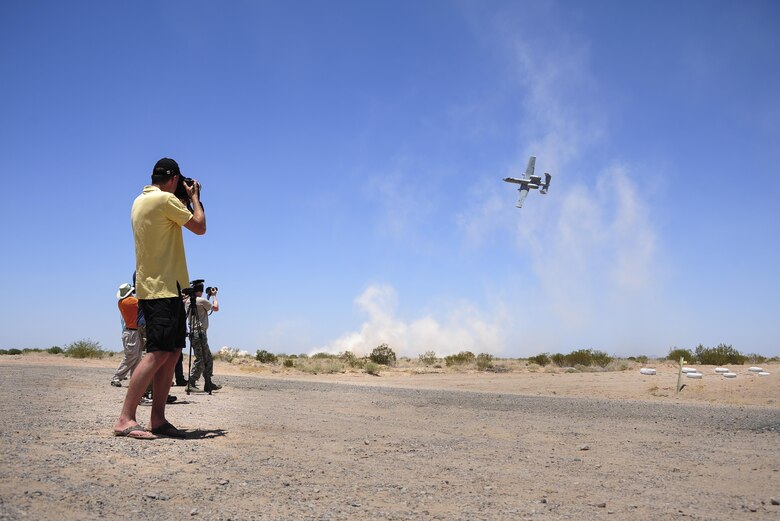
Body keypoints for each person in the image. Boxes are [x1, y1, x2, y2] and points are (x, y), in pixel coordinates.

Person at [113, 157, 206, 440]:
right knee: (158, 353)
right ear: (175, 179)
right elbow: (200, 226)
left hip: (162, 286)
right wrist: (195, 198)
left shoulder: (140, 201)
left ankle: (158, 419)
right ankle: (125, 419)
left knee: (173, 351)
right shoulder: (166, 201)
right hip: (161, 288)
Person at [185, 284, 221, 392]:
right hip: (199, 333)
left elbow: (202, 308)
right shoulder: (201, 300)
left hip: (194, 333)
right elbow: (216, 308)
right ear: (200, 291)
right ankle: (191, 383)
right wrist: (214, 296)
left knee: (208, 358)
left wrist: (208, 297)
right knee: (201, 358)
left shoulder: (188, 301)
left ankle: (208, 382)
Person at [110, 283, 143, 387]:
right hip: (132, 332)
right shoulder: (130, 301)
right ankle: (116, 377)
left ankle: (134, 379)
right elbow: (143, 303)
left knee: (137, 357)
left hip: (132, 331)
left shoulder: (121, 301)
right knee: (131, 356)